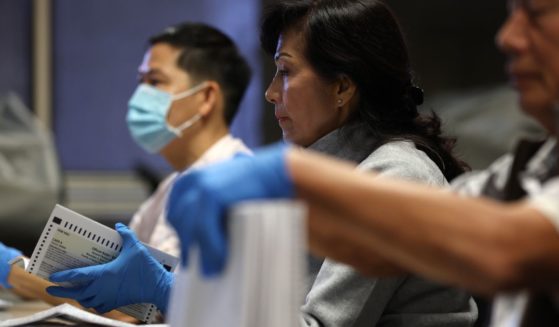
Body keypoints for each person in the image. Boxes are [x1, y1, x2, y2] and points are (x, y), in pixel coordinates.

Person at [165, 1, 559, 326]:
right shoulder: (536, 164)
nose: (507, 37)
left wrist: (292, 176)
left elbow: (507, 245)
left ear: (342, 86)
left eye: (536, 14)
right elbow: (392, 240)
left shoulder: (400, 170)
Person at [0, 22, 252, 316]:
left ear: (206, 98)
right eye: (140, 81)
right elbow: (114, 287)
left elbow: (130, 310)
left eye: (155, 82)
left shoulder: (233, 183)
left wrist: (11, 268)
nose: (140, 97)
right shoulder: (176, 182)